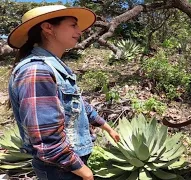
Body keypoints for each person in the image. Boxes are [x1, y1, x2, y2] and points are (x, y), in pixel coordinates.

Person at [7, 5, 120, 180]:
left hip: (67, 166)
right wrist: (84, 172)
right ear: (48, 28)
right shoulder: (38, 70)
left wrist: (106, 127)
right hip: (61, 169)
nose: (80, 31)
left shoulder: (52, 68)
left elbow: (77, 104)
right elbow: (46, 139)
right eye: (73, 25)